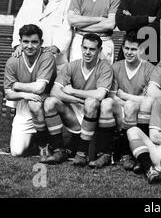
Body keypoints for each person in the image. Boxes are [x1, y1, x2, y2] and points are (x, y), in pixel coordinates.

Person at [43, 33, 113, 166]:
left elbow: (99, 95)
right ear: (80, 47)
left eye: (92, 49)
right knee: (49, 102)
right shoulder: (71, 66)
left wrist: (73, 91)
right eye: (85, 48)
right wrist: (76, 99)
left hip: (93, 114)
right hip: (73, 113)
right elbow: (54, 92)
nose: (87, 52)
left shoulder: (105, 67)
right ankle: (59, 150)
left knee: (91, 102)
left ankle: (82, 153)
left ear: (100, 50)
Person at [101, 31, 154, 170]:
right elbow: (112, 95)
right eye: (127, 48)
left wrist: (125, 96)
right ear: (123, 48)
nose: (129, 52)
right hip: (122, 107)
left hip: (140, 111)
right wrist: (126, 102)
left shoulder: (149, 68)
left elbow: (149, 99)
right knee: (106, 103)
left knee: (131, 106)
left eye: (134, 49)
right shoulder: (116, 66)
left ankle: (126, 153)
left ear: (141, 50)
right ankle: (106, 152)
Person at [4, 24, 56, 160]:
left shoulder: (47, 57)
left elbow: (39, 88)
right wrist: (24, 94)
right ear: (20, 42)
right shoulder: (13, 61)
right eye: (25, 42)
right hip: (23, 104)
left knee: (36, 103)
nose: (30, 46)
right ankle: (34, 140)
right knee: (17, 151)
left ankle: (43, 144)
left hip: (45, 103)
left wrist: (16, 85)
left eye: (34, 42)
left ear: (41, 43)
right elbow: (8, 94)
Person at [11, 0, 72, 71]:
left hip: (55, 60)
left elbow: (67, 29)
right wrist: (17, 45)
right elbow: (19, 24)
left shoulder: (67, 1)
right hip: (29, 57)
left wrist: (56, 48)